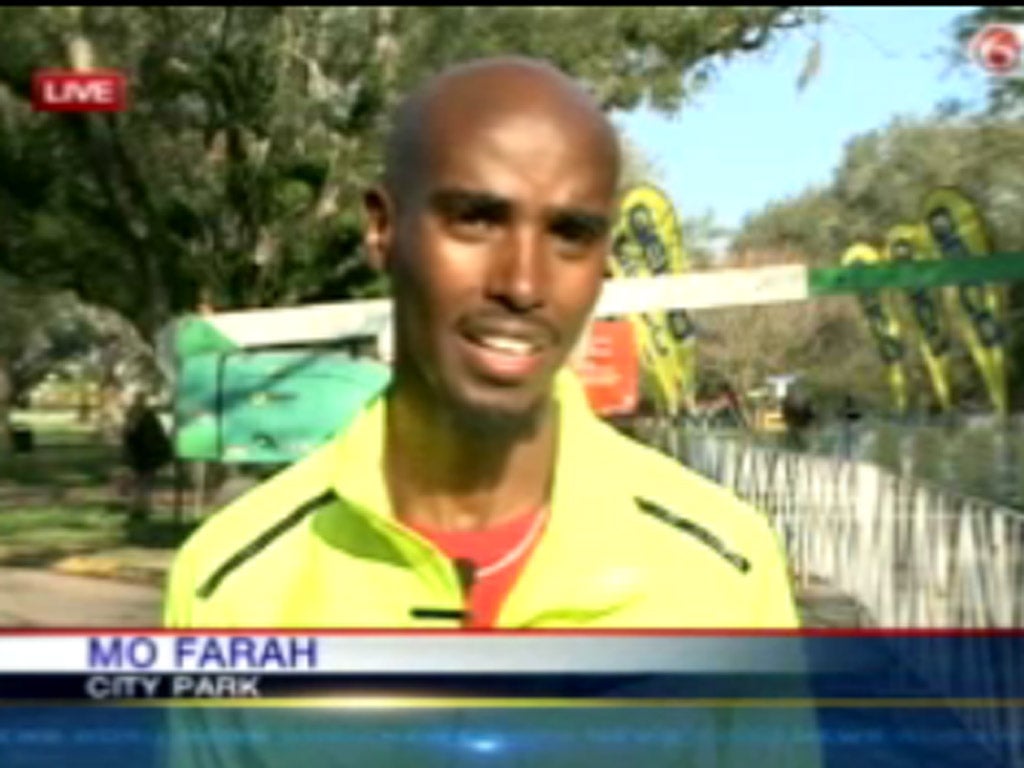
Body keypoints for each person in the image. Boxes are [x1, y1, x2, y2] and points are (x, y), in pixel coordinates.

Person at [164, 57, 800, 630]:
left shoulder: (725, 571)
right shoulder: (232, 587)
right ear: (383, 230)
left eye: (571, 233)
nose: (522, 284)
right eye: (476, 220)